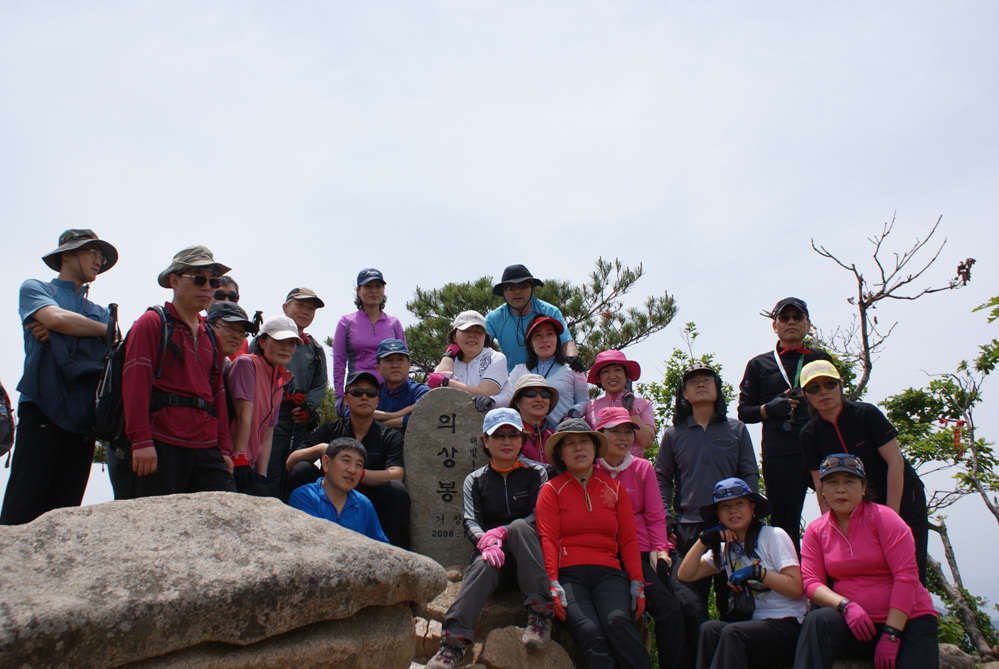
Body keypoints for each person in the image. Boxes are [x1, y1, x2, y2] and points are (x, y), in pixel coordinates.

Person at [1, 229, 118, 524]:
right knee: (22, 510)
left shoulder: (101, 311)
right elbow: (55, 318)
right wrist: (95, 330)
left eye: (101, 255)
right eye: (92, 251)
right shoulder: (36, 288)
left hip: (83, 418)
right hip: (41, 407)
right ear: (67, 254)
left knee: (64, 517)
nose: (99, 259)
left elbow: (116, 341)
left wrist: (60, 333)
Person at [428, 408, 553, 669]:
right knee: (483, 564)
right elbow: (470, 520)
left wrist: (504, 531)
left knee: (519, 526)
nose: (506, 442)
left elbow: (538, 515)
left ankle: (540, 614)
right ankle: (452, 644)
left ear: (522, 439)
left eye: (512, 435)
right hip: (494, 558)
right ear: (485, 441)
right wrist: (485, 541)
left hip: (529, 559)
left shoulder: (536, 473)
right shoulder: (475, 480)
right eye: (499, 436)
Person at [794, 455, 938, 669]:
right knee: (818, 621)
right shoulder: (817, 530)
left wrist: (892, 633)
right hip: (856, 623)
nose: (840, 489)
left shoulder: (885, 518)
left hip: (908, 622)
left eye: (849, 481)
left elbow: (905, 577)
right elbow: (811, 582)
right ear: (822, 490)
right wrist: (845, 605)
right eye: (832, 482)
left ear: (863, 488)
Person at [798, 360, 929, 582]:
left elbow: (895, 463)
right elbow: (822, 488)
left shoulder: (866, 414)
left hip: (900, 494)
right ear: (806, 395)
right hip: (853, 505)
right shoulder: (809, 434)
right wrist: (833, 528)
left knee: (908, 567)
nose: (823, 392)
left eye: (829, 384)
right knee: (863, 570)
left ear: (840, 385)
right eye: (814, 388)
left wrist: (892, 517)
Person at [535, 419, 652, 669]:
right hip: (568, 575)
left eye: (584, 442)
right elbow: (548, 538)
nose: (578, 448)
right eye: (570, 444)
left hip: (609, 574)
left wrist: (637, 582)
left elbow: (629, 540)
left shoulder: (614, 488)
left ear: (595, 449)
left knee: (618, 621)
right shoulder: (551, 490)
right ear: (560, 454)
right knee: (589, 631)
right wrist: (552, 582)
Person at [122, 245, 236, 497]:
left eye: (212, 280)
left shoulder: (211, 336)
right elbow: (135, 383)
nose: (207, 287)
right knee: (157, 530)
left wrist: (224, 450)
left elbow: (217, 395)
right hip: (161, 442)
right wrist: (140, 440)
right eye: (198, 279)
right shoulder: (151, 323)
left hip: (206, 447)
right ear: (174, 281)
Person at [655, 364, 759, 629]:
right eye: (693, 382)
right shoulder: (673, 434)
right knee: (690, 607)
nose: (700, 384)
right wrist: (666, 517)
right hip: (689, 530)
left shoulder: (736, 430)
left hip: (733, 527)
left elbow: (749, 474)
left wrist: (749, 517)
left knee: (736, 604)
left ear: (717, 388)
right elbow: (662, 478)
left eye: (706, 380)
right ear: (684, 394)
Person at [594, 407, 689, 669]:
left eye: (628, 432)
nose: (623, 438)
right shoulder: (589, 469)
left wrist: (660, 550)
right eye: (615, 431)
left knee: (669, 611)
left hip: (640, 552)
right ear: (600, 435)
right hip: (605, 554)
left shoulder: (642, 467)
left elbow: (656, 515)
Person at [677, 479, 806, 669]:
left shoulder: (773, 536)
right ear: (718, 514)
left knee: (732, 632)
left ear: (752, 507)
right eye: (725, 506)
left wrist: (757, 573)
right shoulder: (725, 549)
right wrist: (704, 540)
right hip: (753, 628)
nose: (733, 510)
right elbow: (686, 575)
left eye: (739, 503)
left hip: (788, 625)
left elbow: (796, 588)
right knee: (709, 629)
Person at [738, 297, 833, 553]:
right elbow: (743, 412)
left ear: (808, 323)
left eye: (797, 317)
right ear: (775, 325)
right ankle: (790, 585)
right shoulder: (759, 364)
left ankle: (838, 578)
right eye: (784, 317)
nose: (791, 322)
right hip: (780, 454)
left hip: (822, 450)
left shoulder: (821, 359)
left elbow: (838, 404)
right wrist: (768, 409)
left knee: (839, 511)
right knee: (784, 524)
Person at [286, 371, 410, 548]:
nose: (364, 397)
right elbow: (291, 462)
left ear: (377, 400)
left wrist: (354, 473)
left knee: (395, 490)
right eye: (357, 392)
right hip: (327, 500)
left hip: (370, 501)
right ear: (345, 399)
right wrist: (321, 449)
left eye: (371, 393)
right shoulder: (330, 431)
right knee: (302, 469)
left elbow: (396, 474)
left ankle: (398, 557)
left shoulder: (389, 436)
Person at [264, 287, 328, 499]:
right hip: (269, 419)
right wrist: (281, 396)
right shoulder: (266, 339)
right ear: (285, 307)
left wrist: (308, 406)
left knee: (297, 473)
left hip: (299, 422)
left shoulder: (315, 349)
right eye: (300, 305)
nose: (306, 312)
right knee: (267, 470)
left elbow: (320, 384)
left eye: (311, 308)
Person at [226, 316, 298, 496]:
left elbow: (268, 433)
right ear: (262, 341)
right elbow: (244, 416)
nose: (286, 348)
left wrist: (261, 474)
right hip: (228, 459)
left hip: (247, 464)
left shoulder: (280, 379)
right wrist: (239, 457)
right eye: (279, 340)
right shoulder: (247, 364)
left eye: (291, 343)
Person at [332, 268, 407, 414]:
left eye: (378, 286)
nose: (374, 291)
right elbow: (339, 363)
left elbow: (404, 360)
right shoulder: (346, 322)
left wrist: (405, 391)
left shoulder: (394, 323)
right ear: (358, 290)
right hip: (359, 392)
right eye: (368, 286)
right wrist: (340, 396)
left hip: (391, 393)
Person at [484, 264, 583, 373]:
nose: (517, 291)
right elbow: (479, 342)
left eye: (523, 286)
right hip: (515, 380)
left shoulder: (549, 311)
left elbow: (566, 342)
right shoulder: (494, 318)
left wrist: (573, 358)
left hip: (551, 376)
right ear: (503, 292)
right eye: (510, 287)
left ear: (532, 288)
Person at [288, 438, 389, 543]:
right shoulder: (304, 497)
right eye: (346, 461)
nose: (352, 470)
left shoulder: (364, 504)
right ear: (326, 463)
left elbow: (381, 545)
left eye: (359, 465)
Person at [492, 315, 588, 426]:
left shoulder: (572, 369)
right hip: (528, 438)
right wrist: (492, 401)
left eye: (550, 334)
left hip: (563, 437)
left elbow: (584, 401)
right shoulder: (519, 370)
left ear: (557, 340)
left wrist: (574, 412)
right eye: (538, 335)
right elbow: (507, 397)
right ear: (531, 343)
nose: (545, 340)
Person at [583, 350, 657, 459]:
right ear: (599, 378)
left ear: (627, 376)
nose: (612, 376)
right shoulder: (591, 407)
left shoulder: (643, 404)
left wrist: (632, 411)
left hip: (633, 469)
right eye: (606, 371)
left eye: (617, 370)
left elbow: (647, 442)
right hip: (599, 471)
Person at [430, 311, 508, 412]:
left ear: (485, 337)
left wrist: (446, 382)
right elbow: (439, 395)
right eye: (466, 330)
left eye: (478, 331)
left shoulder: (496, 358)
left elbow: (485, 393)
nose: (472, 335)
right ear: (454, 336)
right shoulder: (446, 364)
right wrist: (448, 355)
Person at [371, 338, 429, 436]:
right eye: (388, 360)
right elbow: (353, 413)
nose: (394, 365)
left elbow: (425, 416)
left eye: (400, 360)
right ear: (378, 368)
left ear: (408, 365)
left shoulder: (419, 390)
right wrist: (399, 414)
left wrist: (379, 425)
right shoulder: (371, 392)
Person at [508, 374, 558, 466]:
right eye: (531, 394)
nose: (539, 399)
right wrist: (549, 469)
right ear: (517, 401)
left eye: (544, 395)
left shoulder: (556, 433)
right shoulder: (508, 431)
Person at [208, 275, 252, 359]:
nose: (226, 301)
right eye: (219, 295)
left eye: (232, 297)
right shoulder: (196, 328)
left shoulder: (242, 341)